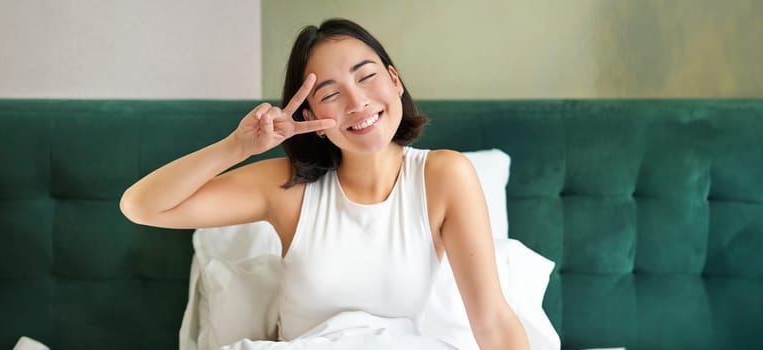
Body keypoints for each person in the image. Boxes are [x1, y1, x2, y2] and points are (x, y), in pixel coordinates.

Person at [120, 18, 529, 350]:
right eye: (331, 94)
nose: (357, 103)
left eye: (367, 77)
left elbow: (493, 323)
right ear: (311, 116)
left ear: (394, 81)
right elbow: (142, 206)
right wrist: (237, 146)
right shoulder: (288, 186)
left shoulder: (443, 176)